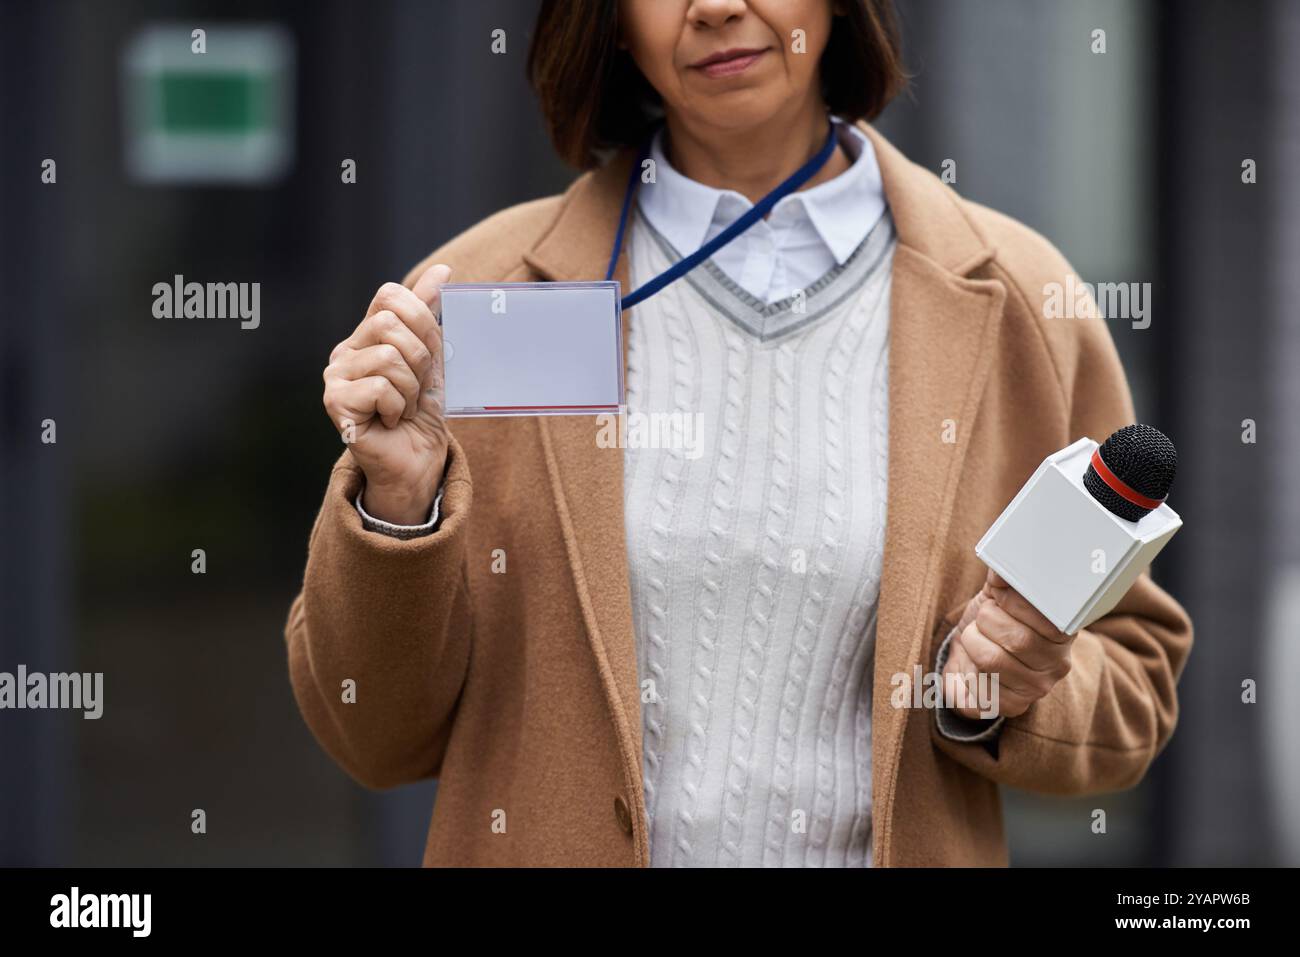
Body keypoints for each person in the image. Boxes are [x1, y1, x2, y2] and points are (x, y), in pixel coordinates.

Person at [285, 0, 1193, 867]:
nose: (714, 9)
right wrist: (399, 507)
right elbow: (373, 736)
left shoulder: (1023, 302)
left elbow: (1135, 688)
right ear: (611, 27)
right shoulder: (482, 297)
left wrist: (1012, 688)